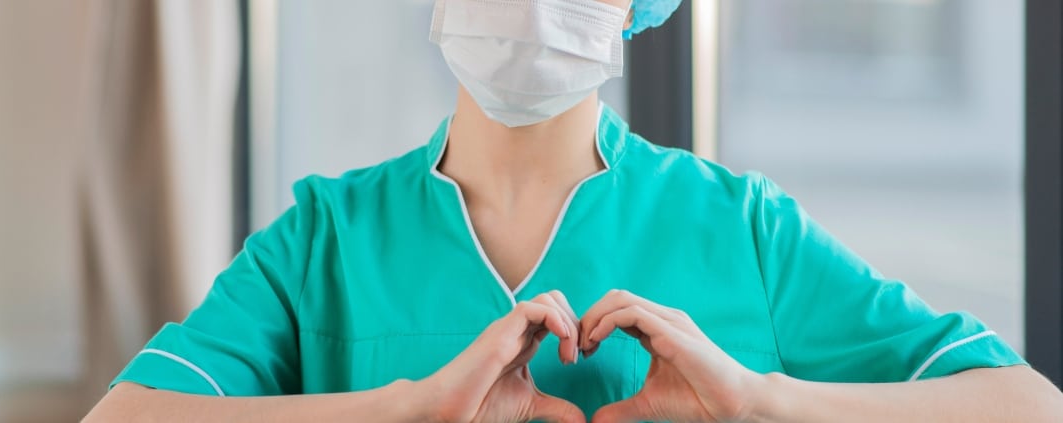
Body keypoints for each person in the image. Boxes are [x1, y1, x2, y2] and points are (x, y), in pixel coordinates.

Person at [85, 0, 1063, 421]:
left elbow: (1028, 406)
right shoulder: (323, 242)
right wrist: (407, 405)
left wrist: (762, 398)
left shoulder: (741, 230)